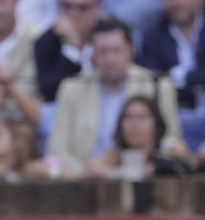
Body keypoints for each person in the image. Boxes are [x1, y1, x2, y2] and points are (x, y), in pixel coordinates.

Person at [49, 17, 180, 175]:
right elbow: (57, 149)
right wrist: (86, 172)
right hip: (84, 179)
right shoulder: (72, 89)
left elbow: (171, 140)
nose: (109, 59)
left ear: (130, 50)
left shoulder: (157, 85)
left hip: (142, 175)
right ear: (92, 53)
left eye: (116, 50)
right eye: (103, 51)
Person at [33, 0, 103, 104]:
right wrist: (73, 48)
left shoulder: (108, 36)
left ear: (97, 7)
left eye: (82, 7)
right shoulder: (46, 42)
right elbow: (51, 93)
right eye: (67, 6)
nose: (73, 13)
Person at [85, 94, 193, 177]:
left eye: (142, 117)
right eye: (128, 117)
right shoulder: (111, 159)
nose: (134, 124)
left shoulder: (168, 155)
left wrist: (152, 169)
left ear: (156, 123)